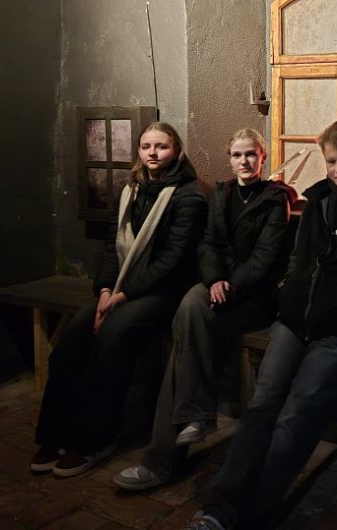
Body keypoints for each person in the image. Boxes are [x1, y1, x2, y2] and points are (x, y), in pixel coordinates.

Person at [180, 120, 337, 530]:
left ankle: (253, 514)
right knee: (261, 405)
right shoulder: (318, 203)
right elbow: (297, 259)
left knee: (298, 413)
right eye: (331, 162)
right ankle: (220, 508)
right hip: (295, 320)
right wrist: (290, 290)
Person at [113, 128, 297, 491]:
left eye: (251, 154)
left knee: (185, 340)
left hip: (252, 298)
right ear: (230, 158)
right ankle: (193, 419)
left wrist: (229, 285)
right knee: (189, 306)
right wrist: (214, 279)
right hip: (217, 288)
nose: (244, 161)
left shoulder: (275, 199)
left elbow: (264, 259)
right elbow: (208, 243)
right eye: (237, 155)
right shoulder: (222, 193)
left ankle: (165, 455)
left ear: (262, 157)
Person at [31, 121, 207, 478]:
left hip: (165, 292)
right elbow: (112, 248)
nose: (153, 153)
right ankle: (55, 434)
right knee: (71, 342)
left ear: (176, 151)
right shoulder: (130, 190)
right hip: (122, 288)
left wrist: (121, 297)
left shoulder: (189, 195)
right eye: (146, 146)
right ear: (139, 151)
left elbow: (173, 261)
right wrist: (105, 291)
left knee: (112, 338)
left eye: (161, 146)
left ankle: (95, 439)